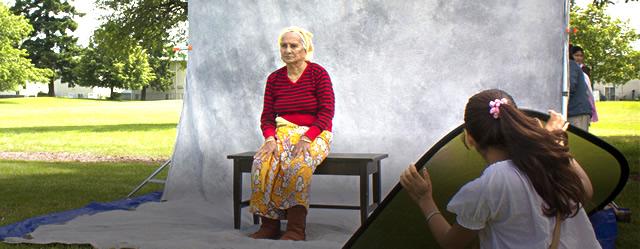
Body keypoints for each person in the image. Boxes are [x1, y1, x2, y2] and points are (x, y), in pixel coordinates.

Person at [400, 89, 601, 249]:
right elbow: (586, 191)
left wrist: (424, 199)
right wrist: (551, 142)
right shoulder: (548, 160)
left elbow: (451, 243)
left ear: (470, 138)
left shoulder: (490, 184)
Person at [249, 26, 335, 241]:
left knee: (298, 164)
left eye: (293, 45)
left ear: (305, 50)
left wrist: (308, 138)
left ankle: (296, 229)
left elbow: (327, 112)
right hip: (282, 133)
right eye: (283, 45)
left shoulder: (318, 73)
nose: (287, 50)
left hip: (315, 133)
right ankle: (269, 225)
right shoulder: (274, 78)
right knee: (262, 164)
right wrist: (270, 138)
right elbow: (267, 116)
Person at [567, 44, 594, 131]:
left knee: (575, 143)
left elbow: (570, 87)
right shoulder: (571, 65)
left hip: (577, 112)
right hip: (575, 111)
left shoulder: (570, 65)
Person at [571, 45, 598, 122]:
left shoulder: (585, 69)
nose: (579, 58)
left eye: (581, 56)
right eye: (576, 55)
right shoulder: (569, 69)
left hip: (583, 104)